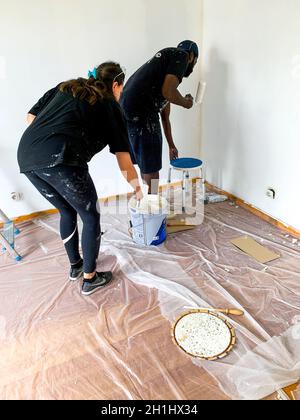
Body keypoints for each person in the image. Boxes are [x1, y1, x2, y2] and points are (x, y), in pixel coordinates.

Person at [17, 62, 142, 296]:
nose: (121, 94)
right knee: (91, 215)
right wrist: (139, 192)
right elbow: (125, 162)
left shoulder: (68, 86)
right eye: (121, 89)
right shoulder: (110, 107)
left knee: (67, 211)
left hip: (26, 156)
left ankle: (76, 267)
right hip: (61, 159)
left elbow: (30, 117)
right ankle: (90, 278)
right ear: (115, 85)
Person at [121, 40, 199, 194]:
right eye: (195, 61)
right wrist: (186, 103)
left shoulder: (159, 77)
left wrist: (171, 145)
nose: (193, 65)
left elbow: (165, 117)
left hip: (126, 110)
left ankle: (146, 202)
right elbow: (168, 92)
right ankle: (152, 207)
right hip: (141, 112)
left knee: (146, 164)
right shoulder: (181, 55)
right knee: (151, 168)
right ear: (191, 56)